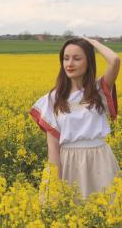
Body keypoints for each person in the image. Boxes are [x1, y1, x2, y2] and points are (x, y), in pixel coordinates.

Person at [29, 36, 121, 200]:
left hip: (100, 160)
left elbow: (114, 60)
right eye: (66, 58)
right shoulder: (52, 99)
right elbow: (53, 147)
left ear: (89, 62)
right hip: (68, 162)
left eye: (77, 58)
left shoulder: (98, 90)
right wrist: (55, 185)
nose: (69, 64)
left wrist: (92, 43)